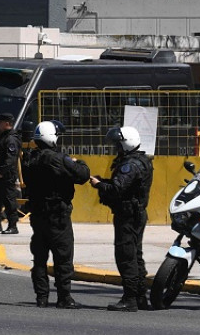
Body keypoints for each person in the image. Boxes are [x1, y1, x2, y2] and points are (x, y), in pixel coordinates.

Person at [21, 120, 90, 309]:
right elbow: (83, 175)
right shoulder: (58, 159)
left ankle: (41, 297)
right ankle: (64, 297)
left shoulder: (28, 159)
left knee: (40, 258)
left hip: (38, 215)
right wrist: (78, 162)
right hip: (57, 216)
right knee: (63, 257)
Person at [91, 125, 154, 312]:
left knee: (126, 256)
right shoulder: (140, 161)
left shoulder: (130, 165)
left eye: (118, 145)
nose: (116, 148)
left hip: (128, 216)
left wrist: (100, 185)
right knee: (135, 255)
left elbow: (118, 189)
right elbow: (125, 187)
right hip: (135, 214)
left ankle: (130, 298)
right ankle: (140, 296)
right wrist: (103, 181)